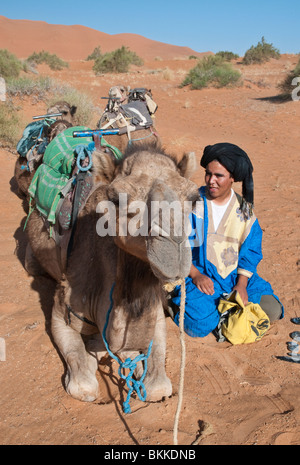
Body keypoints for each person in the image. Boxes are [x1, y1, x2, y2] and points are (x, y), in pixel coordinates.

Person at [171, 142, 283, 338]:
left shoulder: (244, 210)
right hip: (194, 274)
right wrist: (195, 275)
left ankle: (224, 310)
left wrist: (241, 285)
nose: (211, 180)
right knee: (200, 325)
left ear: (232, 178)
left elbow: (251, 252)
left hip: (231, 277)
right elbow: (176, 244)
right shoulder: (191, 203)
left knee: (273, 309)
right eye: (208, 174)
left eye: (219, 176)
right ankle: (173, 301)